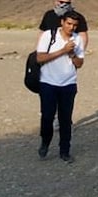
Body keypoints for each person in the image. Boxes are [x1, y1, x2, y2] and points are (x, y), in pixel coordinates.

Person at [36, 11, 85, 162]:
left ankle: (65, 150)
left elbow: (80, 64)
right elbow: (40, 58)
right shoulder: (48, 35)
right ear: (62, 22)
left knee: (65, 119)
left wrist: (72, 54)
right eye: (69, 24)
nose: (71, 27)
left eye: (75, 25)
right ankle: (45, 141)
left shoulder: (77, 39)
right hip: (48, 82)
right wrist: (63, 50)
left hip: (68, 83)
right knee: (47, 116)